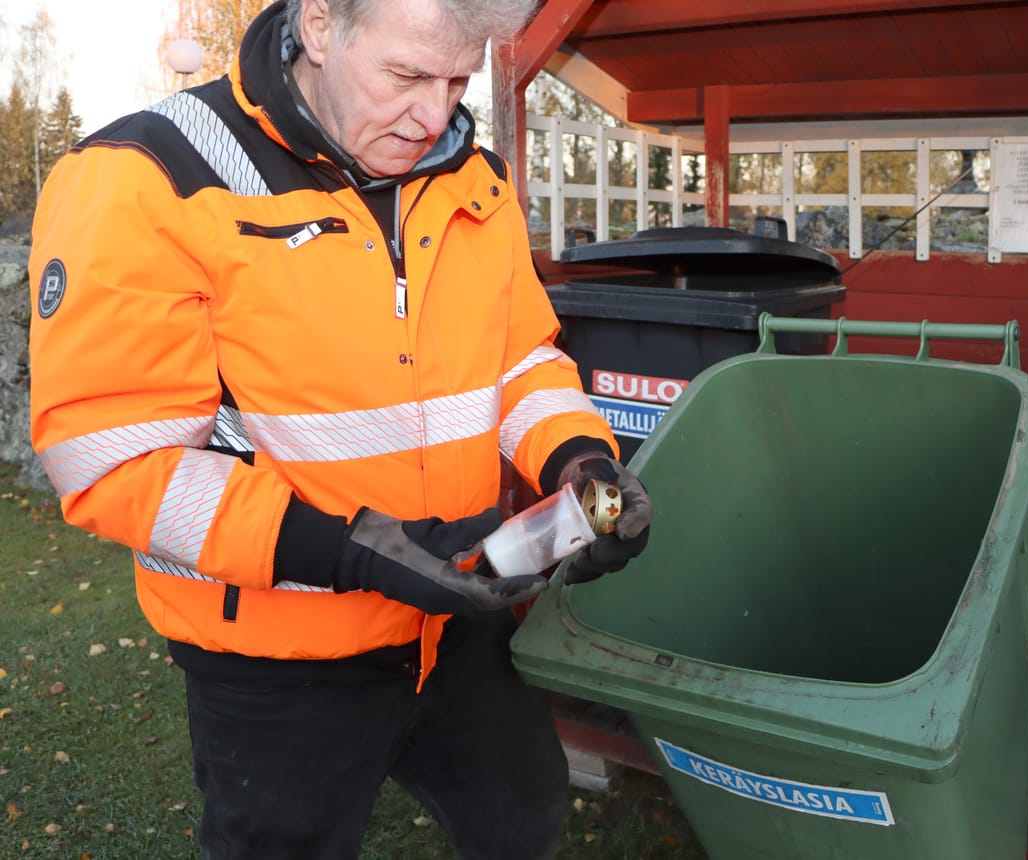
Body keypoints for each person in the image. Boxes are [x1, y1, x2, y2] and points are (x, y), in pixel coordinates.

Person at [26, 0, 651, 857]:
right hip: (278, 660)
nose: (435, 115)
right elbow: (113, 458)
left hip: (457, 621)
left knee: (524, 817)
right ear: (320, 26)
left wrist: (578, 459)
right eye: (405, 76)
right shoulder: (146, 175)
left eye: (458, 79)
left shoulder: (474, 175)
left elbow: (520, 362)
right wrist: (361, 550)